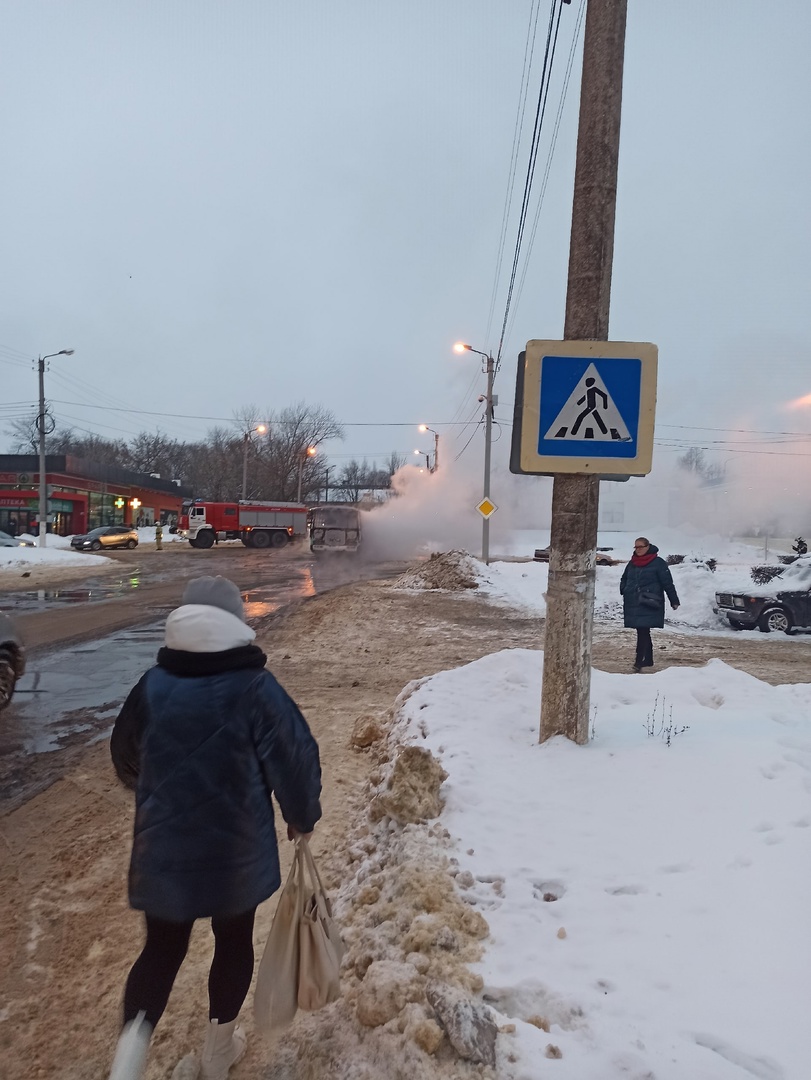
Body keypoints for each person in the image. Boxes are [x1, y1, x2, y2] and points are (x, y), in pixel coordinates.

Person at [107, 575, 322, 1080]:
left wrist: (159, 789)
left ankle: (125, 1067)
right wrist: (301, 816)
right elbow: (295, 758)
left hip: (164, 848)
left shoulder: (153, 685)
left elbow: (124, 757)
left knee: (159, 952)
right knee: (232, 940)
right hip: (236, 852)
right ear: (236, 624)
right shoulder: (256, 688)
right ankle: (218, 1053)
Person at [619, 537, 680, 673]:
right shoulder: (632, 563)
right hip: (633, 601)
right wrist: (624, 589)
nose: (638, 549)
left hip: (649, 602)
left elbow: (667, 583)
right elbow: (624, 577)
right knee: (643, 630)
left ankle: (638, 662)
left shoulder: (658, 563)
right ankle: (648, 659)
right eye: (636, 547)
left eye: (640, 546)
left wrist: (674, 600)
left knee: (642, 630)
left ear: (648, 546)